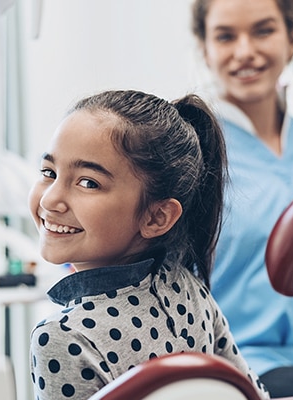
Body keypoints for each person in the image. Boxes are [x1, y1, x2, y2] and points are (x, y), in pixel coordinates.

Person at [27, 89, 270, 399]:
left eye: (88, 182)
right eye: (49, 172)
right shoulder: (185, 284)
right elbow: (253, 394)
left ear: (157, 217)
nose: (50, 200)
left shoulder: (63, 338)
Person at [191, 0, 293, 396]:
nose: (245, 51)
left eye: (263, 30)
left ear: (292, 38)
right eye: (226, 36)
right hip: (245, 371)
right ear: (205, 48)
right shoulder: (187, 161)